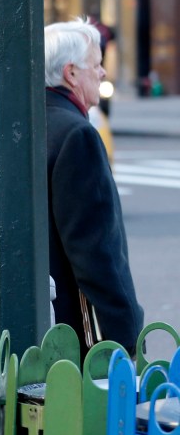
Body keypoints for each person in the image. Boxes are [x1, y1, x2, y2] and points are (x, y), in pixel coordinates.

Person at [44, 19, 143, 351]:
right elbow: (96, 252)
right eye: (97, 65)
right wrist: (127, 337)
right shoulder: (77, 135)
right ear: (71, 73)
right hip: (64, 331)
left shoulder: (27, 120)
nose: (103, 74)